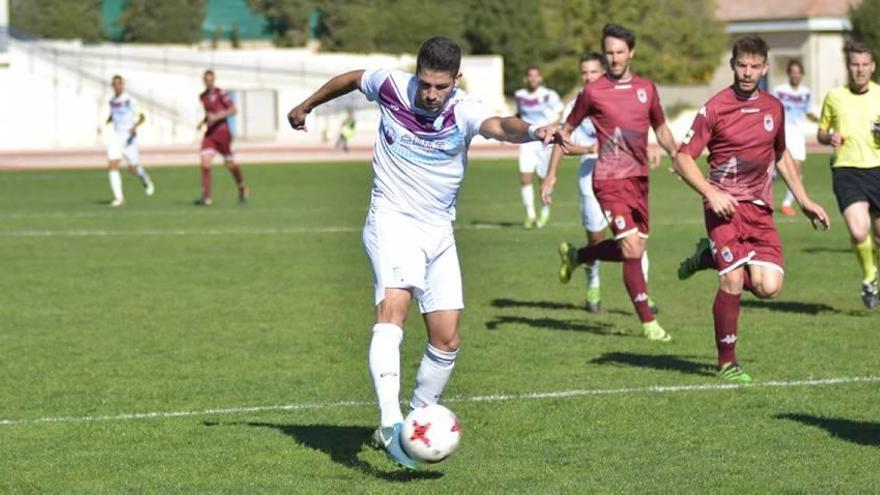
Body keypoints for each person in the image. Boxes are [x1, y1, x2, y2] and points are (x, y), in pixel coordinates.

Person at [287, 36, 560, 470]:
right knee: (393, 308)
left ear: (457, 80)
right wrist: (307, 105)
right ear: (417, 75)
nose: (431, 95)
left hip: (438, 231)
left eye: (441, 87)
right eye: (426, 84)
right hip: (391, 220)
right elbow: (352, 79)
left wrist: (533, 131)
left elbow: (500, 126)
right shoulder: (392, 86)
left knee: (447, 337)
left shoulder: (464, 110)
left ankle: (417, 416)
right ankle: (392, 423)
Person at [674, 35, 830, 382]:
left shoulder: (773, 108)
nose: (747, 72)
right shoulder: (714, 107)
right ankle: (727, 361)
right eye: (741, 65)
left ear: (764, 67)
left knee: (768, 287)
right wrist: (710, 193)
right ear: (732, 65)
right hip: (724, 206)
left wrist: (804, 200)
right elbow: (682, 157)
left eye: (754, 66)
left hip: (760, 209)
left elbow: (781, 154)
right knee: (731, 279)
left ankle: (707, 256)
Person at [544, 23, 676, 341]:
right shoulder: (592, 92)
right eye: (609, 53)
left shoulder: (647, 88)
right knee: (632, 248)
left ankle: (578, 256)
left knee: (633, 248)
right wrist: (551, 172)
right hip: (608, 178)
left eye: (620, 52)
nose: (615, 59)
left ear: (631, 52)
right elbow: (567, 130)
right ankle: (648, 322)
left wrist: (676, 154)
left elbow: (660, 128)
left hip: (639, 180)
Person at [551, 52, 657, 314]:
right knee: (596, 239)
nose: (587, 77)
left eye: (592, 72)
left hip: (624, 174)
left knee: (635, 239)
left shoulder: (622, 97)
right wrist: (584, 151)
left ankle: (642, 294)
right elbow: (562, 141)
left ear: (604, 72)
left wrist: (650, 146)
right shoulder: (578, 103)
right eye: (583, 72)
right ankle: (593, 285)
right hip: (591, 175)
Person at [817, 39, 880, 309]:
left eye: (865, 65)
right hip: (846, 170)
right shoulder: (834, 96)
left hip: (878, 169)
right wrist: (828, 137)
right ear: (848, 66)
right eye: (855, 64)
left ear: (873, 67)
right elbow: (821, 132)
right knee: (858, 230)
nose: (860, 70)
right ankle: (869, 275)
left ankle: (873, 271)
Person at [515, 66, 563, 228]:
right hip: (527, 141)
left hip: (544, 143)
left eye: (536, 76)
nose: (533, 79)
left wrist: (551, 128)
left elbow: (560, 113)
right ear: (526, 79)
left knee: (544, 179)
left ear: (540, 78)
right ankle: (530, 215)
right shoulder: (520, 95)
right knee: (525, 177)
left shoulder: (549, 95)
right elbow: (520, 116)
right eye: (530, 76)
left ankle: (545, 211)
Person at [771, 60, 818, 216]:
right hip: (783, 132)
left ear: (802, 74)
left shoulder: (806, 93)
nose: (795, 75)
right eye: (793, 71)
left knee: (796, 170)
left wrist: (819, 119)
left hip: (797, 134)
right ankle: (762, 187)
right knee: (780, 168)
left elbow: (809, 111)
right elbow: (770, 108)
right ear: (789, 73)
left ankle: (786, 204)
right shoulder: (779, 90)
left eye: (798, 72)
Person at [196, 70, 248, 206]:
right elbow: (209, 114)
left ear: (214, 80)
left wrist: (217, 116)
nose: (209, 82)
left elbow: (233, 110)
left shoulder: (220, 93)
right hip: (210, 134)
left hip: (223, 133)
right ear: (203, 80)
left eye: (211, 79)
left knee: (230, 164)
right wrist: (203, 121)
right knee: (205, 163)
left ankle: (242, 186)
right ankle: (206, 198)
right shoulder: (202, 97)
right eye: (206, 79)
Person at [104, 75, 154, 207]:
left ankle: (145, 178)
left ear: (123, 85)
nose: (117, 86)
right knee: (112, 164)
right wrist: (107, 121)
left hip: (128, 138)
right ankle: (119, 198)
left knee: (133, 169)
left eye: (119, 84)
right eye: (114, 84)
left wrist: (134, 127)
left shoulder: (130, 100)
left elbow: (142, 117)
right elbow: (113, 115)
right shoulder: (112, 101)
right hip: (115, 137)